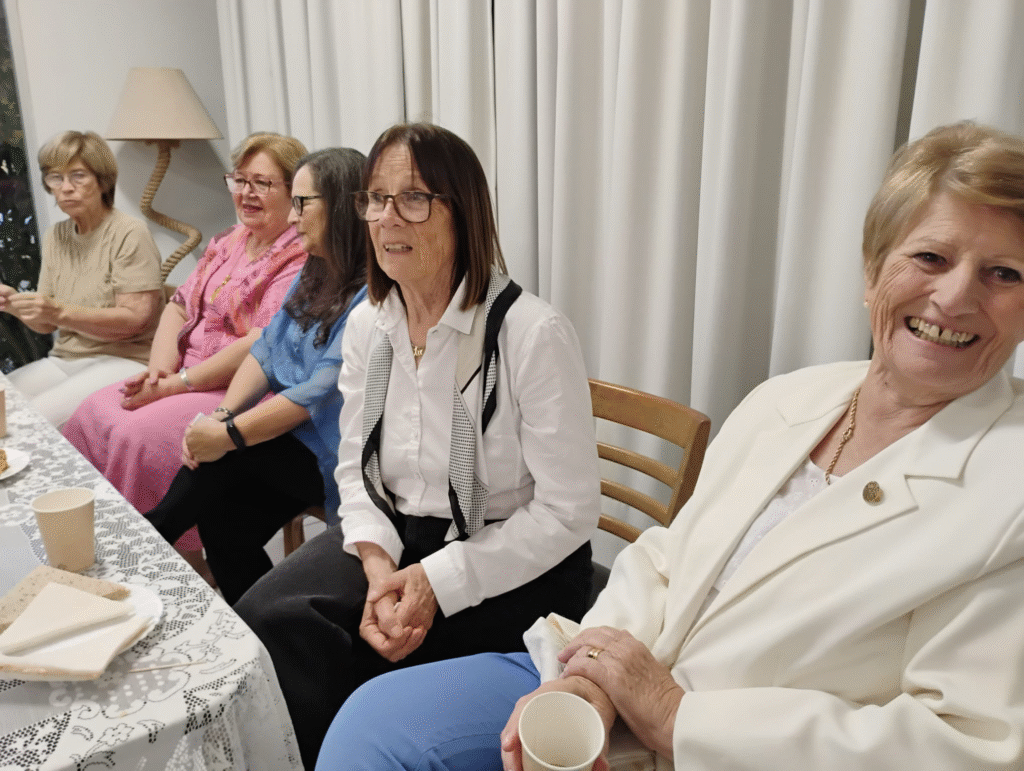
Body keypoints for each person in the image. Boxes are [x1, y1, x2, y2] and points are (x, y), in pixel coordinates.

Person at [316, 120, 1024, 771]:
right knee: (370, 720)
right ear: (872, 271)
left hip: (733, 747)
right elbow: (664, 557)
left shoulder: (1007, 491)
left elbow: (968, 748)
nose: (957, 297)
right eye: (930, 256)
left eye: (1004, 273)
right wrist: (592, 678)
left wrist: (679, 717)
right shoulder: (790, 399)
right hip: (619, 674)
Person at [234, 122, 601, 769]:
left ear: (465, 212)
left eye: (412, 198)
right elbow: (356, 467)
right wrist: (380, 568)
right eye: (376, 198)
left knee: (378, 666)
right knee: (270, 617)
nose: (386, 217)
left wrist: (436, 580)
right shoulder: (368, 326)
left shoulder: (531, 334)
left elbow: (568, 512)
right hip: (401, 535)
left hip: (513, 554)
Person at [62, 132, 308, 580]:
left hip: (239, 388)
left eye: (262, 183)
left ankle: (174, 571)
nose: (246, 193)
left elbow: (260, 342)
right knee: (91, 413)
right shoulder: (229, 240)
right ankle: (90, 551)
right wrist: (160, 369)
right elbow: (177, 305)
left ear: (296, 194)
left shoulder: (299, 255)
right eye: (240, 180)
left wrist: (176, 386)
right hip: (184, 373)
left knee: (135, 436)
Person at [143, 147, 369, 604]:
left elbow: (317, 392)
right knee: (222, 518)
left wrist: (227, 435)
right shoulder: (315, 268)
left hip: (338, 453)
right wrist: (222, 416)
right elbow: (266, 351)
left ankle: (146, 542)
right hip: (297, 440)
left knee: (223, 461)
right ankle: (251, 625)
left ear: (341, 207)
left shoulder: (372, 292)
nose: (293, 216)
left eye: (303, 203)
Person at [0, 130, 163, 427]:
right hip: (67, 357)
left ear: (102, 181)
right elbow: (47, 324)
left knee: (28, 422)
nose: (66, 188)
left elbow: (136, 319)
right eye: (55, 178)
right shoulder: (56, 236)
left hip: (127, 359)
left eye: (78, 176)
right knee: (3, 409)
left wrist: (59, 311)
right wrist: (13, 303)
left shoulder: (129, 232)